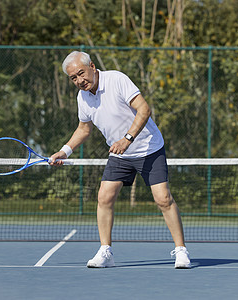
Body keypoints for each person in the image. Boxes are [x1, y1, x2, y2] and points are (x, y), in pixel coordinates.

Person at [50, 51, 191, 269]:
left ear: (93, 67)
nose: (79, 81)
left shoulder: (117, 79)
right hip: (120, 154)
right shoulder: (83, 98)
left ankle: (181, 251)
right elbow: (84, 129)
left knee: (163, 198)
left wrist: (127, 139)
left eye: (81, 74)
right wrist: (65, 151)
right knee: (104, 197)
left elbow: (144, 109)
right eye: (73, 78)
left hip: (148, 148)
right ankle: (106, 251)